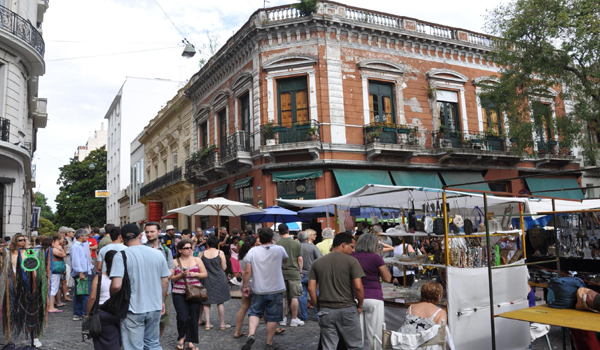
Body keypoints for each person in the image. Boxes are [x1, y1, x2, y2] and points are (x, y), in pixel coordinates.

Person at [110, 223, 171, 350]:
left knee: (133, 346)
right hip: (154, 305)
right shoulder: (158, 254)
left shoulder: (121, 255)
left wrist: (112, 297)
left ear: (121, 237)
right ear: (140, 235)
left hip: (133, 307)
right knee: (153, 344)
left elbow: (116, 285)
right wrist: (161, 301)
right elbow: (165, 281)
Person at [308, 232, 365, 350]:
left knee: (329, 346)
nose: (353, 250)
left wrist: (318, 306)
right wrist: (360, 304)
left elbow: (311, 288)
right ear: (344, 245)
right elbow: (358, 287)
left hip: (326, 310)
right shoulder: (352, 261)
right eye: (352, 246)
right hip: (347, 308)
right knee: (355, 346)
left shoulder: (317, 263)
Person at [241, 228, 289, 350]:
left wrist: (245, 286)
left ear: (259, 239)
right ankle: (269, 343)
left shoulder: (252, 251)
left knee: (255, 312)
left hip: (259, 288)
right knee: (273, 316)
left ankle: (251, 334)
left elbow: (247, 271)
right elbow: (285, 260)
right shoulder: (279, 249)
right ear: (272, 238)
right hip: (276, 288)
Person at [352, 233, 392, 350]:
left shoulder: (351, 256)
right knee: (375, 333)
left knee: (357, 332)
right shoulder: (376, 258)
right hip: (374, 297)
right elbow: (387, 278)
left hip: (355, 296)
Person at [172, 239, 208, 350]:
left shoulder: (197, 259)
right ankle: (181, 337)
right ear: (179, 250)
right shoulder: (174, 262)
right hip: (179, 292)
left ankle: (191, 341)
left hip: (195, 292)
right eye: (186, 248)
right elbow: (171, 278)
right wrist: (181, 275)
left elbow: (205, 274)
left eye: (190, 247)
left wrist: (195, 274)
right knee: (182, 316)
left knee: (193, 317)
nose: (189, 249)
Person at [397, 281, 450, 349]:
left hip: (406, 344)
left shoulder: (411, 307)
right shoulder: (440, 312)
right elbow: (441, 335)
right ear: (439, 296)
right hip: (424, 346)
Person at [86, 250, 121, 350]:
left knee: (102, 342)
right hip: (119, 311)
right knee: (118, 339)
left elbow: (92, 297)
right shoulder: (122, 276)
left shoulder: (99, 277)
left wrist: (87, 314)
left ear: (105, 262)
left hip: (102, 312)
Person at [145, 222, 175, 339]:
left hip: (164, 289)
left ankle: (156, 341)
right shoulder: (142, 248)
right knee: (147, 316)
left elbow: (171, 269)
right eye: (147, 232)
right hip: (147, 289)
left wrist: (162, 279)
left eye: (152, 231)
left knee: (163, 316)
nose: (149, 234)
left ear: (159, 232)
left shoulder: (166, 250)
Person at [199, 235, 231, 330]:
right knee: (220, 302)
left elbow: (199, 267)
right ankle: (222, 324)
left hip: (206, 279)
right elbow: (224, 268)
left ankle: (208, 324)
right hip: (219, 278)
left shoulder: (202, 253)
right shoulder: (220, 252)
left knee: (206, 302)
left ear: (207, 243)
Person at [276, 223, 304, 327]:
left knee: (282, 297)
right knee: (294, 296)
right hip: (294, 272)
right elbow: (300, 259)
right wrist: (300, 271)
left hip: (280, 273)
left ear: (279, 232)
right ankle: (294, 319)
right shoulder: (296, 243)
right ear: (288, 230)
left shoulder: (277, 244)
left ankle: (283, 318)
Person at [234, 236, 260, 339]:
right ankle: (272, 328)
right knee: (262, 307)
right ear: (253, 245)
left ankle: (237, 331)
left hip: (245, 283)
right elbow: (249, 271)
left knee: (244, 307)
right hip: (254, 282)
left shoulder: (242, 255)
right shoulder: (252, 255)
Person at [298, 230, 321, 321]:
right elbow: (320, 258)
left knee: (302, 295)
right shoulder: (312, 247)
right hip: (311, 274)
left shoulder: (296, 247)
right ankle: (318, 314)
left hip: (299, 274)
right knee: (315, 293)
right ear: (307, 238)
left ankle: (304, 315)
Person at [71, 228, 94, 321]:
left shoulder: (82, 245)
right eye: (86, 235)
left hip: (85, 271)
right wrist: (80, 272)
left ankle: (81, 312)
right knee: (82, 293)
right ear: (81, 236)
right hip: (81, 272)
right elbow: (76, 261)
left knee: (82, 293)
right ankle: (81, 312)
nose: (87, 237)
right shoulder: (75, 246)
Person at [49, 233, 67, 313]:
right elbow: (63, 254)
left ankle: (52, 305)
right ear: (59, 239)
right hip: (55, 270)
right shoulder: (54, 247)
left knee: (54, 287)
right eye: (63, 238)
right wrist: (61, 249)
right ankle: (51, 307)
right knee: (53, 288)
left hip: (55, 271)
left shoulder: (53, 246)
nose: (63, 240)